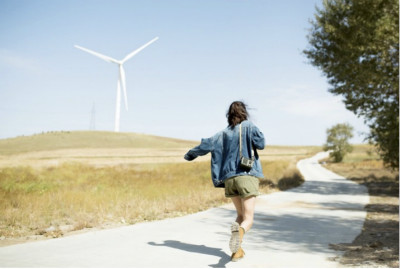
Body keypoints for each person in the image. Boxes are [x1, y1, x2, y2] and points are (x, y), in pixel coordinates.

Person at [184, 101, 265, 262]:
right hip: (246, 175)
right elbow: (261, 144)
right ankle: (239, 234)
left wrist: (190, 155)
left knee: (240, 215)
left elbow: (205, 145)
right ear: (244, 112)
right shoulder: (249, 126)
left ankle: (237, 251)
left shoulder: (223, 133)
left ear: (229, 115)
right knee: (248, 219)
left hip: (229, 179)